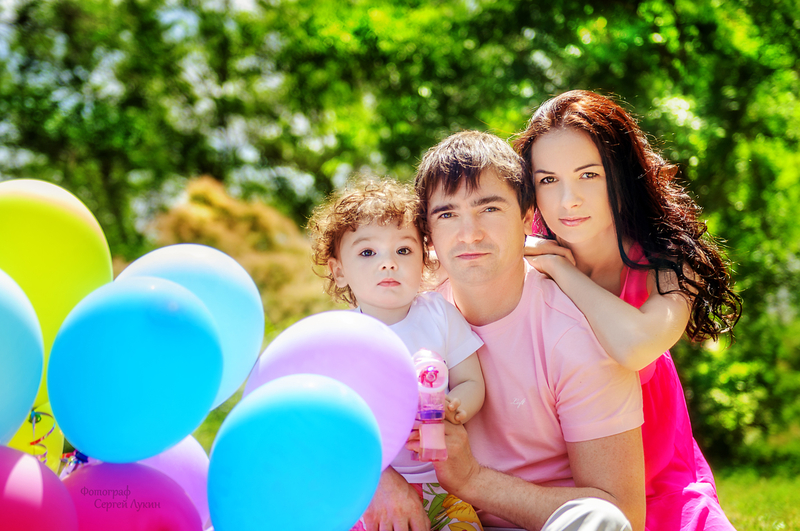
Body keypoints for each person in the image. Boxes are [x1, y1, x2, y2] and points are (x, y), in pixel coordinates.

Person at [385, 130, 645, 531]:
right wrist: (380, 482)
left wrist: (473, 480)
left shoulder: (575, 334)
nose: (469, 233)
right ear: (428, 232)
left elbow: (623, 514)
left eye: (489, 208)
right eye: (447, 215)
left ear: (527, 217)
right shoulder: (406, 312)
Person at [513, 90, 742, 531]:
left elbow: (634, 347)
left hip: (659, 481)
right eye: (548, 180)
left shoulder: (670, 264)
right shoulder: (525, 253)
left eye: (588, 175)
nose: (568, 200)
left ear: (620, 174)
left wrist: (563, 273)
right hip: (552, 481)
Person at [307, 178, 487, 531]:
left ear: (424, 261)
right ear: (339, 271)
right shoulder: (340, 338)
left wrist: (455, 407)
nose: (388, 263)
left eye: (403, 250)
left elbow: (471, 380)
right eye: (367, 252)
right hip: (368, 490)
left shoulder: (439, 314)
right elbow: (329, 423)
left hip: (445, 484)